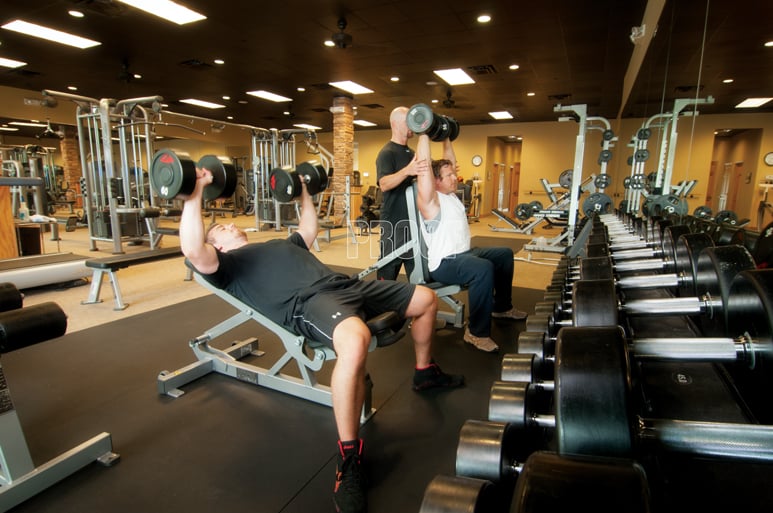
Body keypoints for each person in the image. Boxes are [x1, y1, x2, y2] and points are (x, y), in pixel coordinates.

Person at [180, 164, 464, 513]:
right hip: (310, 303)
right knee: (356, 340)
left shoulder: (276, 244)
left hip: (346, 285)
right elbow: (193, 251)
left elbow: (308, 229)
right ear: (218, 246)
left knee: (425, 299)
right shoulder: (227, 268)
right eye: (222, 228)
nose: (231, 225)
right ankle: (349, 460)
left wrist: (303, 192)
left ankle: (424, 372)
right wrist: (195, 191)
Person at [414, 134, 528, 353]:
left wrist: (446, 137)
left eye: (453, 174)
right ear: (435, 181)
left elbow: (450, 161)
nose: (454, 178)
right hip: (445, 262)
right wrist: (424, 134)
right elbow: (425, 168)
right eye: (448, 176)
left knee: (504, 254)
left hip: (466, 253)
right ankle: (476, 332)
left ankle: (501, 307)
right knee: (482, 268)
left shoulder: (452, 196)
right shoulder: (431, 201)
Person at [375, 106, 427, 280]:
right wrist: (407, 171)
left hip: (414, 222)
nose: (412, 124)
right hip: (394, 224)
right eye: (407, 121)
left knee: (418, 271)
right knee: (388, 273)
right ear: (395, 124)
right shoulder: (387, 153)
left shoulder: (411, 153)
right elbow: (384, 184)